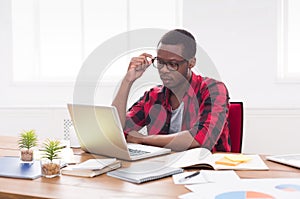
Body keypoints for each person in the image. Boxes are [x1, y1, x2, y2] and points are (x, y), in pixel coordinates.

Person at [112, 29, 230, 152]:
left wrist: (144, 140)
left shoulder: (213, 90)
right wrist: (127, 81)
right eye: (160, 62)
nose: (164, 70)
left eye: (172, 64)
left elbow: (201, 138)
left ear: (191, 62)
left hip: (204, 169)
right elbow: (116, 131)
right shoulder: (153, 96)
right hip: (162, 167)